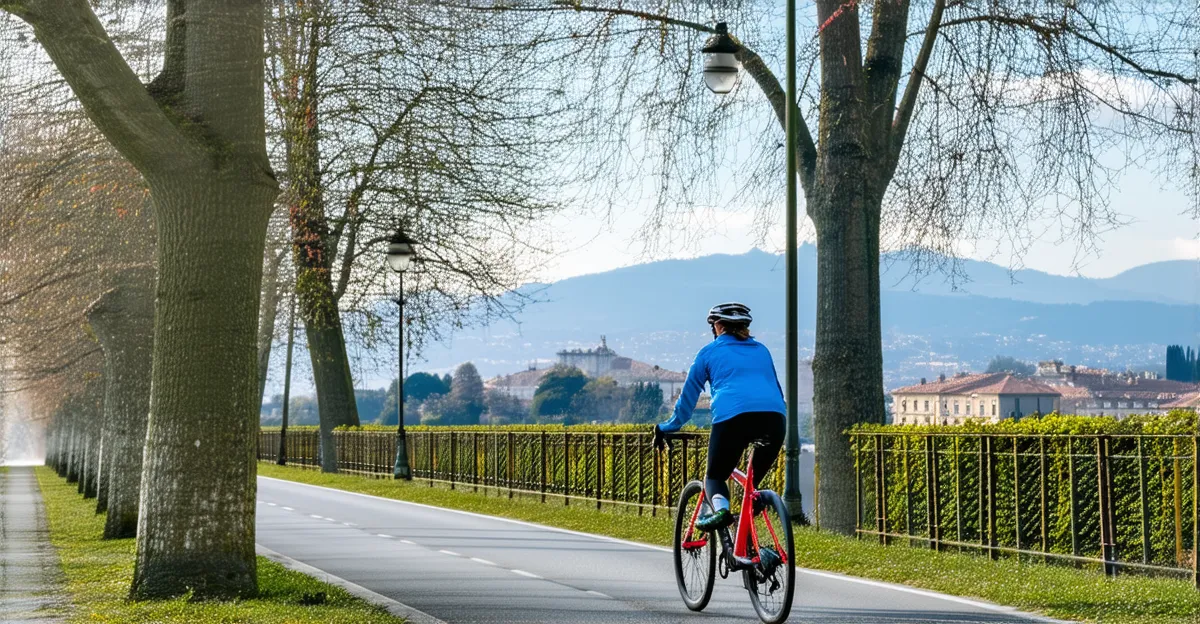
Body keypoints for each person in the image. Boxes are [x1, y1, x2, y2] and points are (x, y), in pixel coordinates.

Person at [653, 302, 786, 531]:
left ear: (718, 326)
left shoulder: (708, 353)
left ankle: (722, 511)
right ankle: (753, 548)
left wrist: (667, 427)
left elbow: (687, 399)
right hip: (774, 419)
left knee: (714, 478)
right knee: (751, 488)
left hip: (732, 419)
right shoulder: (762, 350)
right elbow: (776, 389)